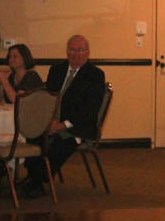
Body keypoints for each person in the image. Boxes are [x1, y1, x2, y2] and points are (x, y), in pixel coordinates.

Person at [21, 35, 105, 198]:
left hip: (78, 127)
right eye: (72, 50)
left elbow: (89, 110)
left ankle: (37, 180)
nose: (75, 54)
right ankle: (35, 179)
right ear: (66, 52)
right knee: (33, 135)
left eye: (80, 50)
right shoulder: (56, 70)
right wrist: (48, 121)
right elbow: (46, 98)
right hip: (52, 121)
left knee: (60, 145)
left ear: (87, 52)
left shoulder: (95, 75)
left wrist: (63, 125)